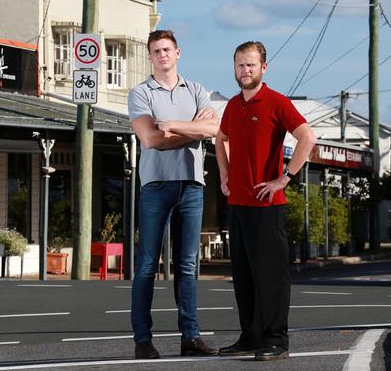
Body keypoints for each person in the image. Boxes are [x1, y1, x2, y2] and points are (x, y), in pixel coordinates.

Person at [215, 41, 316, 361]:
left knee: (271, 277)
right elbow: (221, 140)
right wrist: (224, 174)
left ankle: (277, 340)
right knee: (244, 276)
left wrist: (284, 178)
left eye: (250, 65)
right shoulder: (232, 105)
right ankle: (251, 337)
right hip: (238, 205)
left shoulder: (275, 102)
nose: (244, 70)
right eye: (240, 65)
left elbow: (307, 137)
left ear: (263, 68)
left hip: (268, 207)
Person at [128, 30, 219, 359]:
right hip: (156, 184)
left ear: (178, 53)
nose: (162, 54)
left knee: (186, 266)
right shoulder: (140, 93)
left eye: (167, 49)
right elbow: (150, 140)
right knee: (147, 265)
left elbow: (214, 129)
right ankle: (142, 340)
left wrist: (172, 125)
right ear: (150, 56)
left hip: (192, 185)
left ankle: (190, 337)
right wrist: (191, 128)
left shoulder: (196, 90)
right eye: (156, 50)